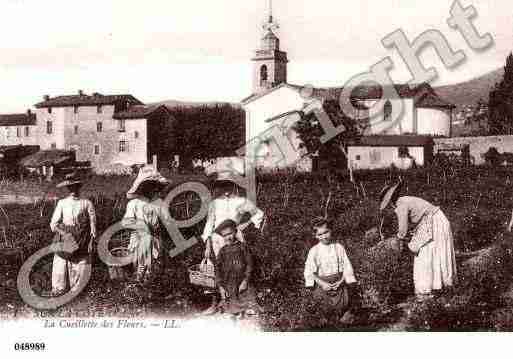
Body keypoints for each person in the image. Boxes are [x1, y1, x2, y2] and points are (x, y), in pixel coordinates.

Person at [379, 180, 457, 301]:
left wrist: (396, 240)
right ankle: (437, 288)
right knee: (431, 254)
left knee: (425, 255)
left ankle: (428, 291)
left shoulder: (401, 205)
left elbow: (403, 230)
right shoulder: (404, 200)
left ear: (390, 201)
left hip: (434, 222)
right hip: (434, 220)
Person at [201, 171, 264, 314]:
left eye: (229, 184)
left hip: (236, 240)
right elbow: (209, 224)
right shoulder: (214, 203)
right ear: (219, 186)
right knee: (216, 270)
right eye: (223, 185)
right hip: (217, 241)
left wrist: (244, 225)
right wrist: (207, 243)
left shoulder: (241, 201)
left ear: (234, 185)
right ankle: (215, 303)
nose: (226, 188)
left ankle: (240, 303)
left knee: (238, 269)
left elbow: (259, 214)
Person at [49, 173, 96, 296]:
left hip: (82, 238)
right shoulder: (62, 203)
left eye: (75, 187)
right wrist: (64, 233)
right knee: (61, 264)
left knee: (79, 264)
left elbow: (93, 226)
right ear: (67, 189)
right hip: (65, 238)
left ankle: (76, 292)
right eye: (70, 188)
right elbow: (53, 224)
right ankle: (59, 291)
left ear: (79, 187)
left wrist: (91, 242)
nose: (73, 190)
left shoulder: (86, 203)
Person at [304, 217, 358, 323]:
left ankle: (343, 317)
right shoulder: (314, 251)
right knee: (323, 308)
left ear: (331, 231)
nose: (324, 237)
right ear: (315, 236)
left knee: (345, 305)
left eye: (326, 232)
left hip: (339, 283)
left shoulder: (338, 247)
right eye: (320, 234)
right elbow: (310, 272)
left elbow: (347, 267)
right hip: (322, 284)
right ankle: (326, 320)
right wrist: (323, 284)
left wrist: (341, 281)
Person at [123, 166, 169, 283]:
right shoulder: (134, 204)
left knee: (154, 268)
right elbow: (126, 222)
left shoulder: (158, 203)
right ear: (142, 187)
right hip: (139, 239)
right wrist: (141, 225)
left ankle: (151, 288)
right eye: (147, 185)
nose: (151, 189)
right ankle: (139, 287)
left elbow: (168, 222)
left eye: (153, 185)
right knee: (140, 267)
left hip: (155, 239)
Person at [214, 219, 260, 315]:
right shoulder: (222, 251)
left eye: (230, 233)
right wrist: (221, 286)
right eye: (225, 235)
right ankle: (233, 308)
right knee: (229, 305)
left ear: (235, 232)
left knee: (248, 300)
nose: (228, 237)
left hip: (241, 282)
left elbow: (249, 264)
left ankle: (246, 308)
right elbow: (217, 269)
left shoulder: (243, 247)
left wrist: (245, 281)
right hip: (229, 284)